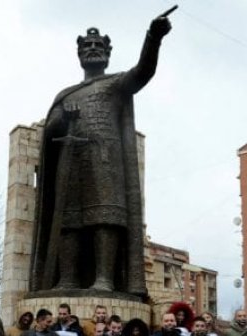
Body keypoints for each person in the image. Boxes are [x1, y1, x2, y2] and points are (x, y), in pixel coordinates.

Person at [29, 11, 173, 299]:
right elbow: (51, 128)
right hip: (71, 164)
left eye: (98, 46)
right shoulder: (67, 94)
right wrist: (63, 119)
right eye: (86, 47)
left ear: (107, 53)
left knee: (104, 218)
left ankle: (104, 278)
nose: (92, 49)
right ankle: (67, 278)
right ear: (79, 54)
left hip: (104, 161)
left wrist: (153, 38)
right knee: (68, 221)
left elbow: (143, 71)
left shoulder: (115, 83)